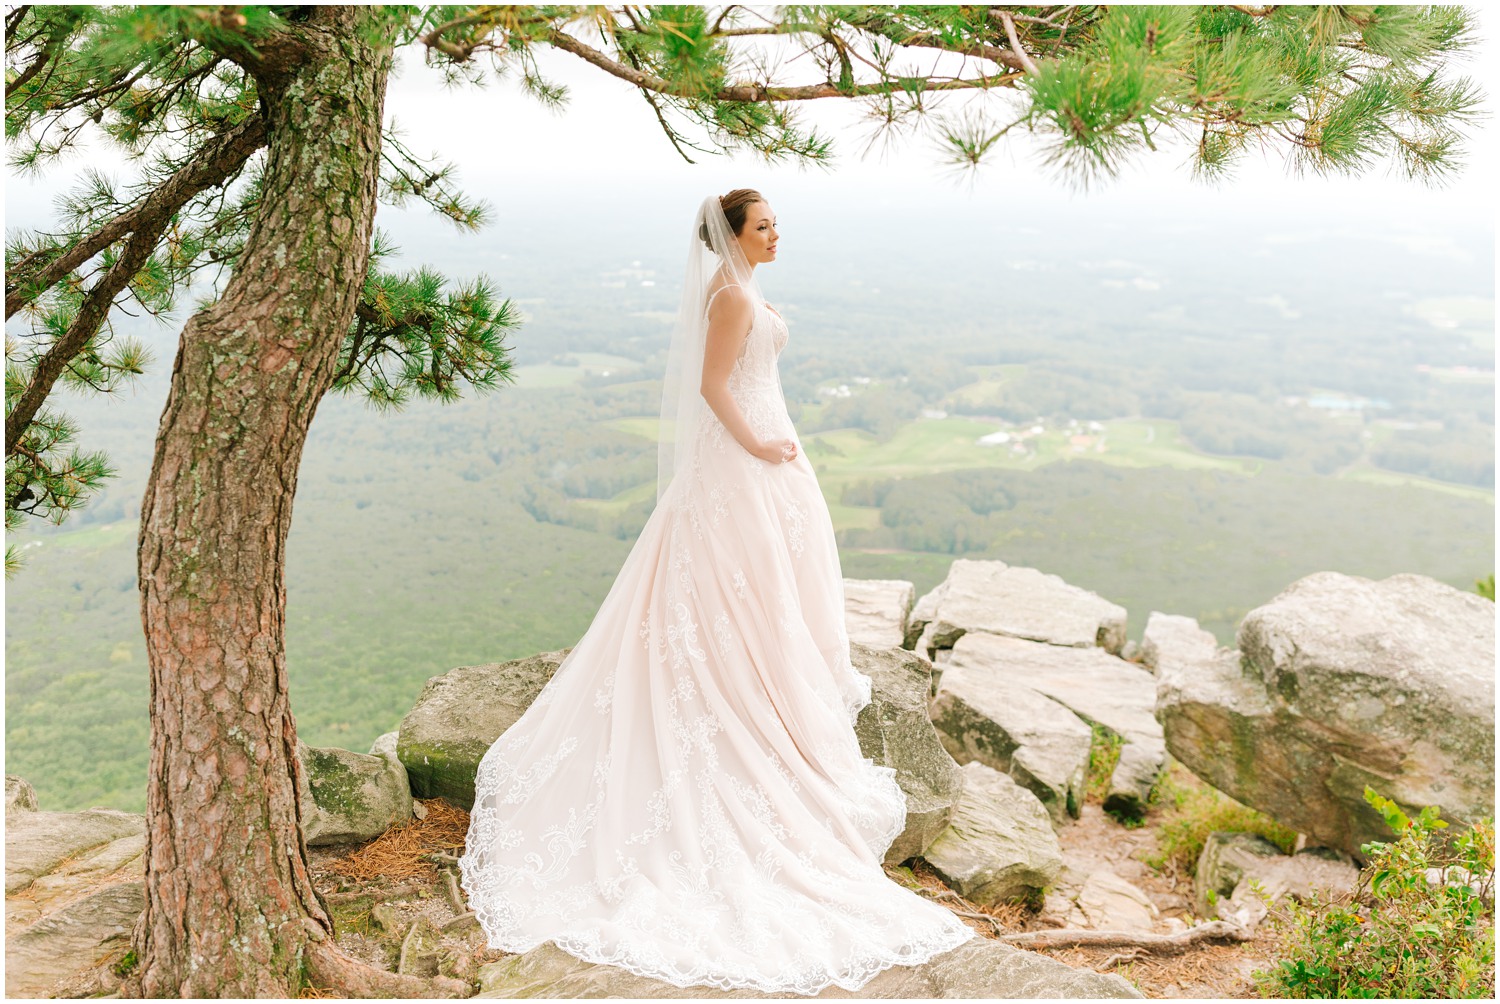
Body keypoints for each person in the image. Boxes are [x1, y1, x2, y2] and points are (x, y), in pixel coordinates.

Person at [457, 190, 975, 994]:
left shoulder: (738, 289)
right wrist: (760, 444)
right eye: (762, 225)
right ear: (731, 237)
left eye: (774, 223)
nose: (776, 233)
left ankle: (760, 672)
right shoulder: (732, 295)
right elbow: (711, 386)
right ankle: (742, 683)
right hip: (742, 454)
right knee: (737, 581)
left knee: (761, 583)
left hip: (760, 452)